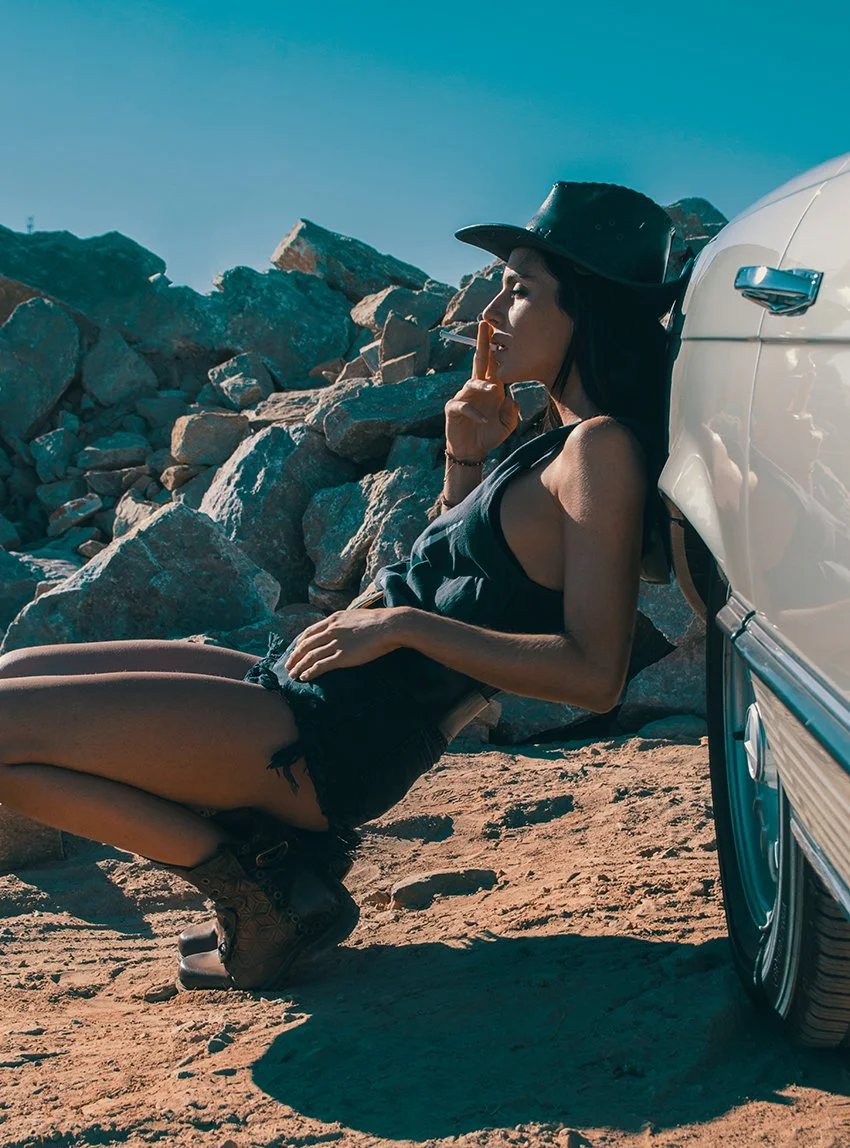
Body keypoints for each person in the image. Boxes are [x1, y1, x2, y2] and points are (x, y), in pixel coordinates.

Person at [0, 182, 689, 992]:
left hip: (339, 737)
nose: (489, 315)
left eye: (521, 291)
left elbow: (593, 673)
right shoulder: (547, 441)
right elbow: (468, 577)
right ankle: (277, 868)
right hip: (306, 687)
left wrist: (401, 629)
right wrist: (464, 455)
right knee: (11, 682)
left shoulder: (600, 452)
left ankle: (266, 893)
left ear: (592, 310)